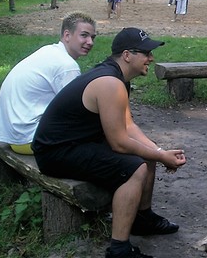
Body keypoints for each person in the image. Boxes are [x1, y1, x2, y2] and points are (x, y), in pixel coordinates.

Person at [32, 27, 186, 258]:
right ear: (127, 55)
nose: (151, 58)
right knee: (135, 168)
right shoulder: (109, 82)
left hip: (78, 143)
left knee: (147, 154)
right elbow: (119, 143)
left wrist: (158, 151)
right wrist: (160, 156)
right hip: (56, 152)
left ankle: (142, 219)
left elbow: (129, 126)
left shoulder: (118, 78)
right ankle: (119, 249)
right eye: (146, 53)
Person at [0, 12, 97, 155]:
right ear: (67, 35)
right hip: (31, 139)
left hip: (14, 135)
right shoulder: (66, 65)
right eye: (84, 35)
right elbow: (77, 110)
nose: (90, 42)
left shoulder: (49, 51)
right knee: (99, 129)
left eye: (93, 37)